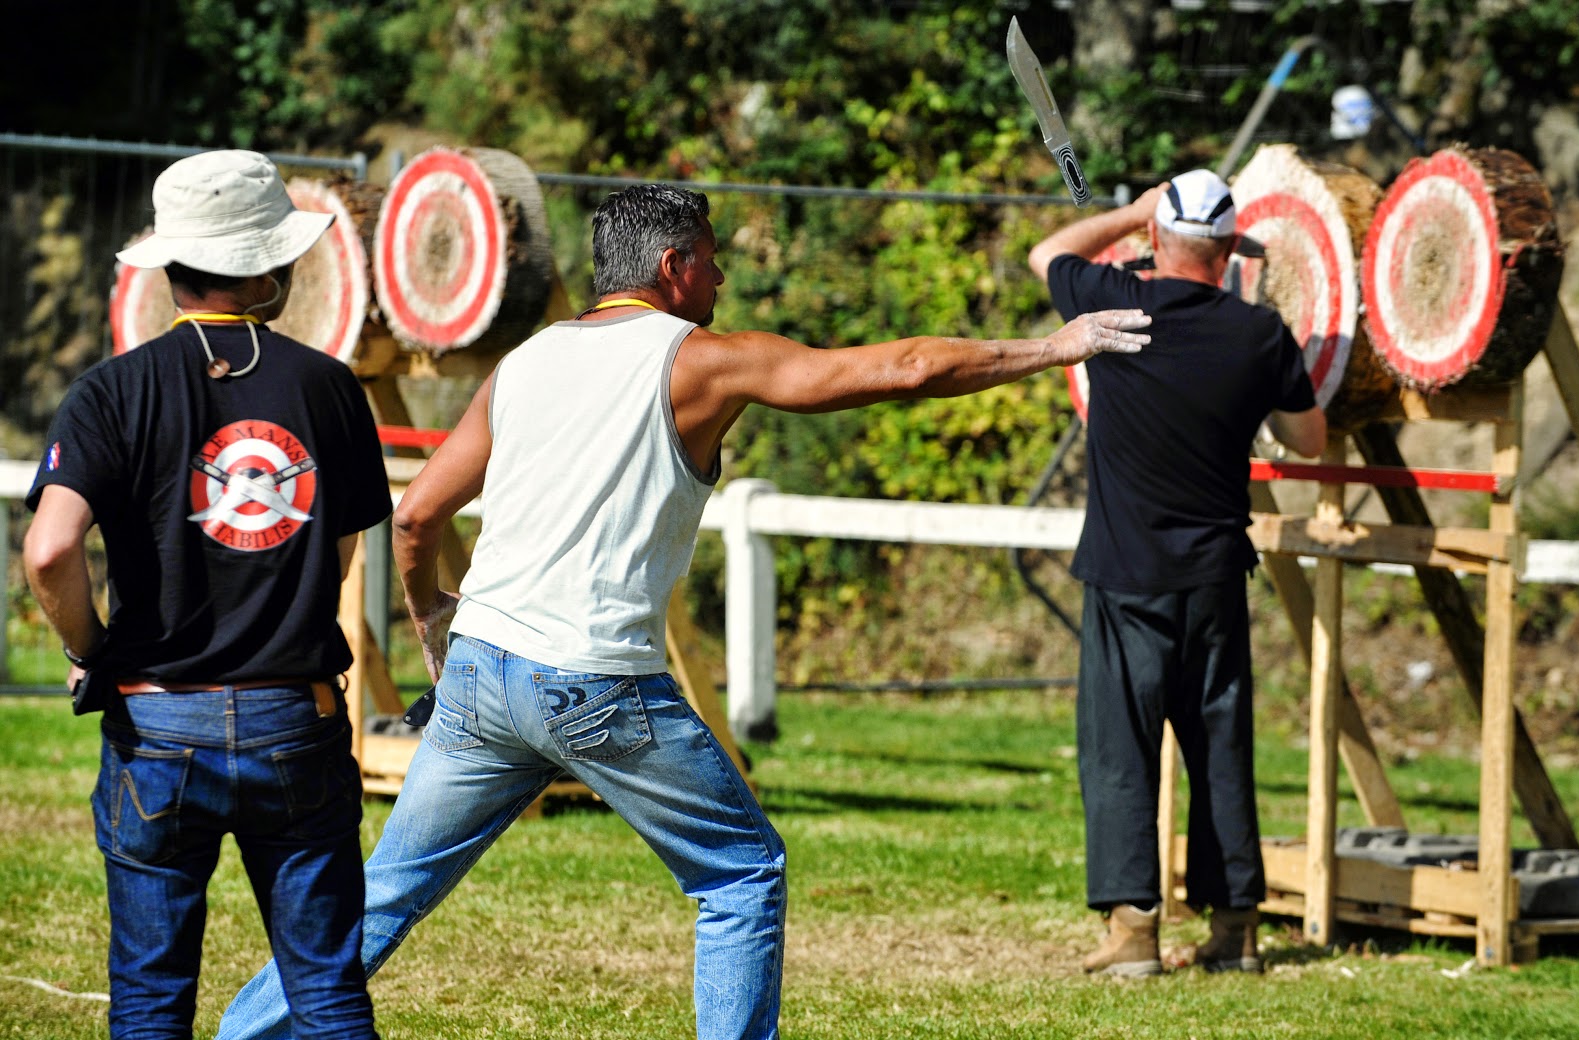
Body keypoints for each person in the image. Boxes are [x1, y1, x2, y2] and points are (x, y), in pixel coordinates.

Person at [213, 183, 1151, 1040]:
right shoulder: (698, 362)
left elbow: (415, 517)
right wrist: (1055, 346)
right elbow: (903, 366)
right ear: (674, 268)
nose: (724, 274)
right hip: (595, 680)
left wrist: (438, 638)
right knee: (741, 875)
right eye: (712, 256)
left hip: (484, 672)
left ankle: (241, 1035)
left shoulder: (525, 363)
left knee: (383, 895)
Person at [22, 150, 392, 1040]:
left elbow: (48, 549)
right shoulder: (331, 389)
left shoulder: (110, 390)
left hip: (156, 725)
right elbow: (339, 551)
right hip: (294, 718)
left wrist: (91, 649)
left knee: (151, 1004)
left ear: (172, 263)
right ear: (271, 262)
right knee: (328, 998)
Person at [1027, 169, 1327, 977]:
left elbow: (1045, 250)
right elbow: (1311, 442)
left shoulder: (1115, 310)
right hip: (1217, 578)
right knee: (1221, 747)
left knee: (1121, 751)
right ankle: (1235, 934)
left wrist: (1128, 210)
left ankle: (1133, 937)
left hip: (1127, 577)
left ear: (1159, 240)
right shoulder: (1260, 335)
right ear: (1230, 252)